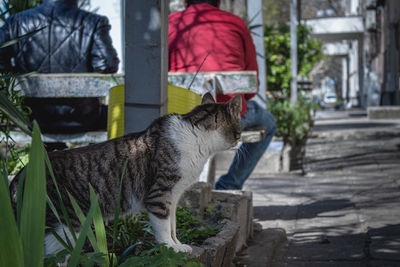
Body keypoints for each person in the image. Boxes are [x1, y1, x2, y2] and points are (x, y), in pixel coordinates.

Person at [169, 0, 276, 190]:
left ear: (185, 1)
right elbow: (251, 89)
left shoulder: (171, 24)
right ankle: (229, 186)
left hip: (179, 117)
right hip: (226, 117)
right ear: (219, 1)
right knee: (268, 122)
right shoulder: (235, 23)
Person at [0, 0, 119, 141]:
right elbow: (106, 65)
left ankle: (51, 158)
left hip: (32, 118)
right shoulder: (94, 22)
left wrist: (15, 71)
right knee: (119, 113)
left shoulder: (17, 22)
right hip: (82, 118)